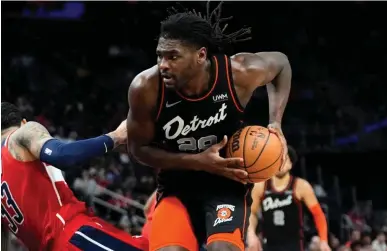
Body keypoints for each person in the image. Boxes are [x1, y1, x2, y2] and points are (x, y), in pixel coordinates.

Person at [126, 1, 292, 251]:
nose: (163, 65)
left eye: (173, 56)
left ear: (201, 55)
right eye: (160, 55)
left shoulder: (238, 73)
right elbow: (138, 149)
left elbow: (281, 64)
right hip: (176, 185)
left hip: (227, 183)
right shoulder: (146, 88)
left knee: (222, 249)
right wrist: (198, 161)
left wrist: (276, 123)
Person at [1, 102, 146, 251]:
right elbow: (63, 155)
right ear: (23, 122)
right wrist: (116, 136)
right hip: (71, 236)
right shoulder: (21, 134)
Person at [247, 145, 331, 251]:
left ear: (290, 164)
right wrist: (251, 234)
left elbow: (318, 214)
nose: (280, 163)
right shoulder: (261, 186)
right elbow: (252, 213)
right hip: (269, 245)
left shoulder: (301, 186)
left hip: (295, 245)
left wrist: (323, 240)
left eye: (284, 159)